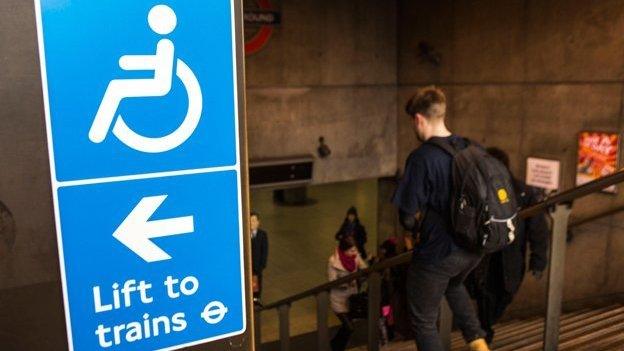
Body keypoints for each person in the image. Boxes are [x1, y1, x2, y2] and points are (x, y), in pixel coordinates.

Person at [393, 86, 489, 351]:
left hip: (439, 252)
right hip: (474, 248)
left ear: (419, 119)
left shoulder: (422, 157)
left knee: (424, 322)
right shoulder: (472, 147)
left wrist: (416, 224)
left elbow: (407, 216)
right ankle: (479, 344)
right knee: (454, 284)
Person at [465, 147, 548, 344]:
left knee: (503, 296)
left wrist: (538, 260)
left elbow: (538, 229)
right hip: (485, 257)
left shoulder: (522, 193)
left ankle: (485, 328)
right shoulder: (479, 189)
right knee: (485, 295)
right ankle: (484, 333)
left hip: (510, 259)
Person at [89, 5, 177, 143]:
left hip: (160, 85)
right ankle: (99, 130)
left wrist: (127, 62)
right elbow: (153, 63)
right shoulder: (163, 43)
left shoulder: (166, 44)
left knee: (116, 87)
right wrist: (128, 62)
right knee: (116, 87)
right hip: (156, 82)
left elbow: (161, 66)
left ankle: (98, 132)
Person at [328, 236, 368, 351]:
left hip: (352, 298)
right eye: (352, 250)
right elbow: (332, 281)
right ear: (344, 250)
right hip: (338, 300)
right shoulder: (333, 261)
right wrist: (346, 282)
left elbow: (364, 268)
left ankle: (335, 344)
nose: (355, 252)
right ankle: (336, 347)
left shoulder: (355, 256)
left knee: (347, 326)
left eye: (355, 249)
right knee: (349, 327)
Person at [250, 211, 269, 305]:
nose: (252, 223)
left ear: (258, 222)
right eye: (250, 221)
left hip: (257, 266)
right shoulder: (245, 234)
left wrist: (262, 264)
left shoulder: (262, 235)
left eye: (254, 221)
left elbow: (265, 250)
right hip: (248, 265)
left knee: (257, 284)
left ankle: (256, 300)